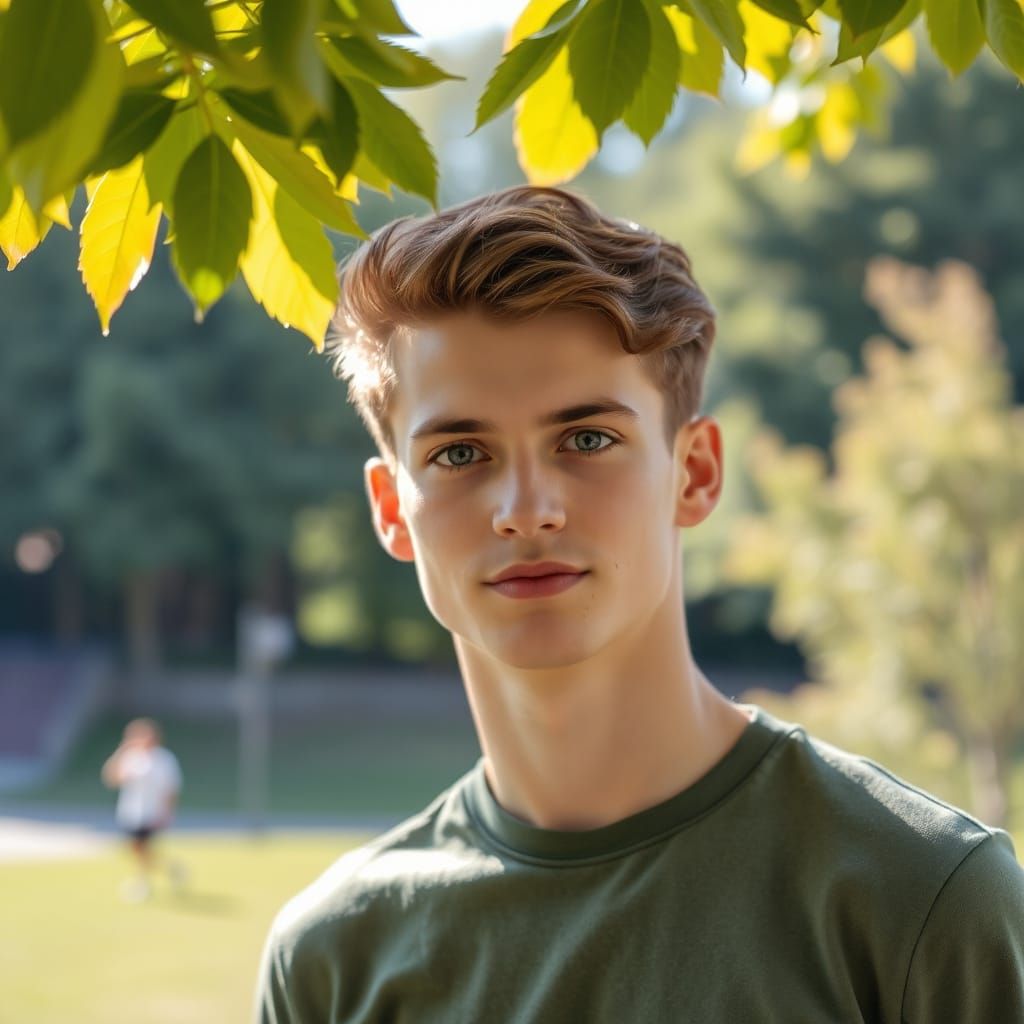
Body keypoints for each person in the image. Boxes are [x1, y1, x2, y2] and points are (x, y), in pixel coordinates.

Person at [254, 186, 1024, 1021]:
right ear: (389, 507)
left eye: (587, 439)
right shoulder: (329, 964)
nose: (526, 507)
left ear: (693, 473)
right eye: (460, 452)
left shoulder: (924, 903)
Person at [101, 716, 185, 902]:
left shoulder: (164, 759)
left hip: (152, 812)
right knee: (136, 849)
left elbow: (171, 788)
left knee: (142, 848)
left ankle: (143, 883)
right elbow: (111, 778)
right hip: (131, 811)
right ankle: (171, 868)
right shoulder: (131, 758)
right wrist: (121, 751)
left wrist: (167, 813)